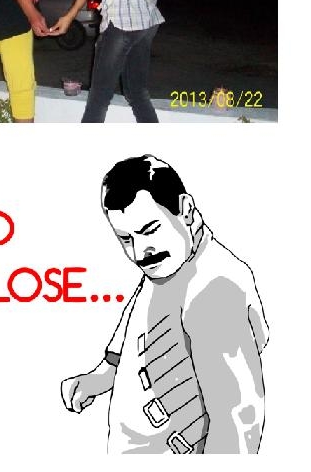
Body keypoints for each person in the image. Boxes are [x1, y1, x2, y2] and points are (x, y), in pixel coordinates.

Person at [62, 154, 269, 454]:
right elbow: (136, 333)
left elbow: (237, 419)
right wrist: (100, 377)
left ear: (186, 211)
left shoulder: (215, 289)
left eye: (149, 230)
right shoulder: (167, 265)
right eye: (125, 238)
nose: (139, 252)